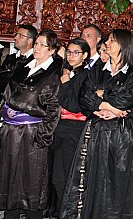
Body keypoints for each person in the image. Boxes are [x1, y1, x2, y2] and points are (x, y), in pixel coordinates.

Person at [60, 29, 133, 219]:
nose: (107, 44)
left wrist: (101, 94)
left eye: (112, 40)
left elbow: (126, 100)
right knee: (91, 177)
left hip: (119, 135)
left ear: (122, 45)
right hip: (95, 130)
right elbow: (84, 97)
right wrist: (105, 105)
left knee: (115, 180)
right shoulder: (97, 70)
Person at [0, 29, 62, 218]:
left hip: (33, 133)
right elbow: (6, 97)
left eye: (43, 45)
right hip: (11, 131)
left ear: (52, 50)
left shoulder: (53, 74)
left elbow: (53, 109)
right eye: (37, 43)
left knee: (32, 182)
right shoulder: (23, 66)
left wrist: (42, 137)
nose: (38, 47)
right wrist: (1, 123)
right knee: (10, 176)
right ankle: (11, 214)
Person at [51, 38, 90, 214]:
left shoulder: (85, 75)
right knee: (58, 177)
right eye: (69, 52)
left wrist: (66, 82)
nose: (71, 56)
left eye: (76, 53)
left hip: (74, 130)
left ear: (85, 56)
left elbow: (74, 104)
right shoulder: (67, 71)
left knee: (66, 177)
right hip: (60, 128)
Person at [0, 25, 37, 97]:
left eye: (20, 36)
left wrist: (10, 73)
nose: (16, 38)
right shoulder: (11, 58)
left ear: (30, 40)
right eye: (16, 35)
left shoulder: (35, 59)